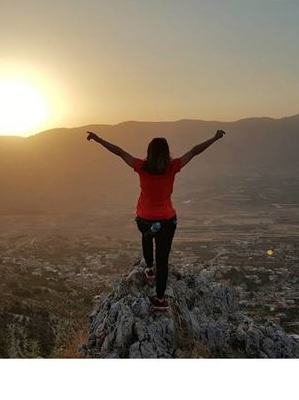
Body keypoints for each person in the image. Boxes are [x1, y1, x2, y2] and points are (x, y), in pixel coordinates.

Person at [86, 129, 226, 310]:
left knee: (146, 237)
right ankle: (160, 299)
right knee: (163, 260)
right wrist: (214, 138)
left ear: (149, 152)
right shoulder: (172, 167)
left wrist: (99, 139)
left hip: (144, 218)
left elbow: (119, 152)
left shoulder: (141, 166)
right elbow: (194, 151)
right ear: (166, 153)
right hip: (168, 220)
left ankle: (149, 269)